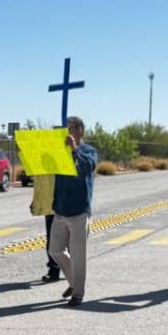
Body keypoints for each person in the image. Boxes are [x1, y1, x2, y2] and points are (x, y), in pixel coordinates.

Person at [48, 116, 98, 306]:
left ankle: (78, 292)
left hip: (79, 211)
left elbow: (87, 167)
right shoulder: (59, 151)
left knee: (78, 255)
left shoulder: (88, 151)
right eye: (65, 129)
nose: (67, 134)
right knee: (55, 250)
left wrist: (74, 149)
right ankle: (73, 281)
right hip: (61, 209)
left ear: (80, 132)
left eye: (70, 130)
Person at [31, 172, 61, 283]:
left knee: (64, 239)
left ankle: (66, 269)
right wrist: (36, 201)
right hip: (50, 207)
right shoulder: (42, 166)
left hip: (64, 205)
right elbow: (41, 183)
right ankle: (54, 270)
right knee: (52, 240)